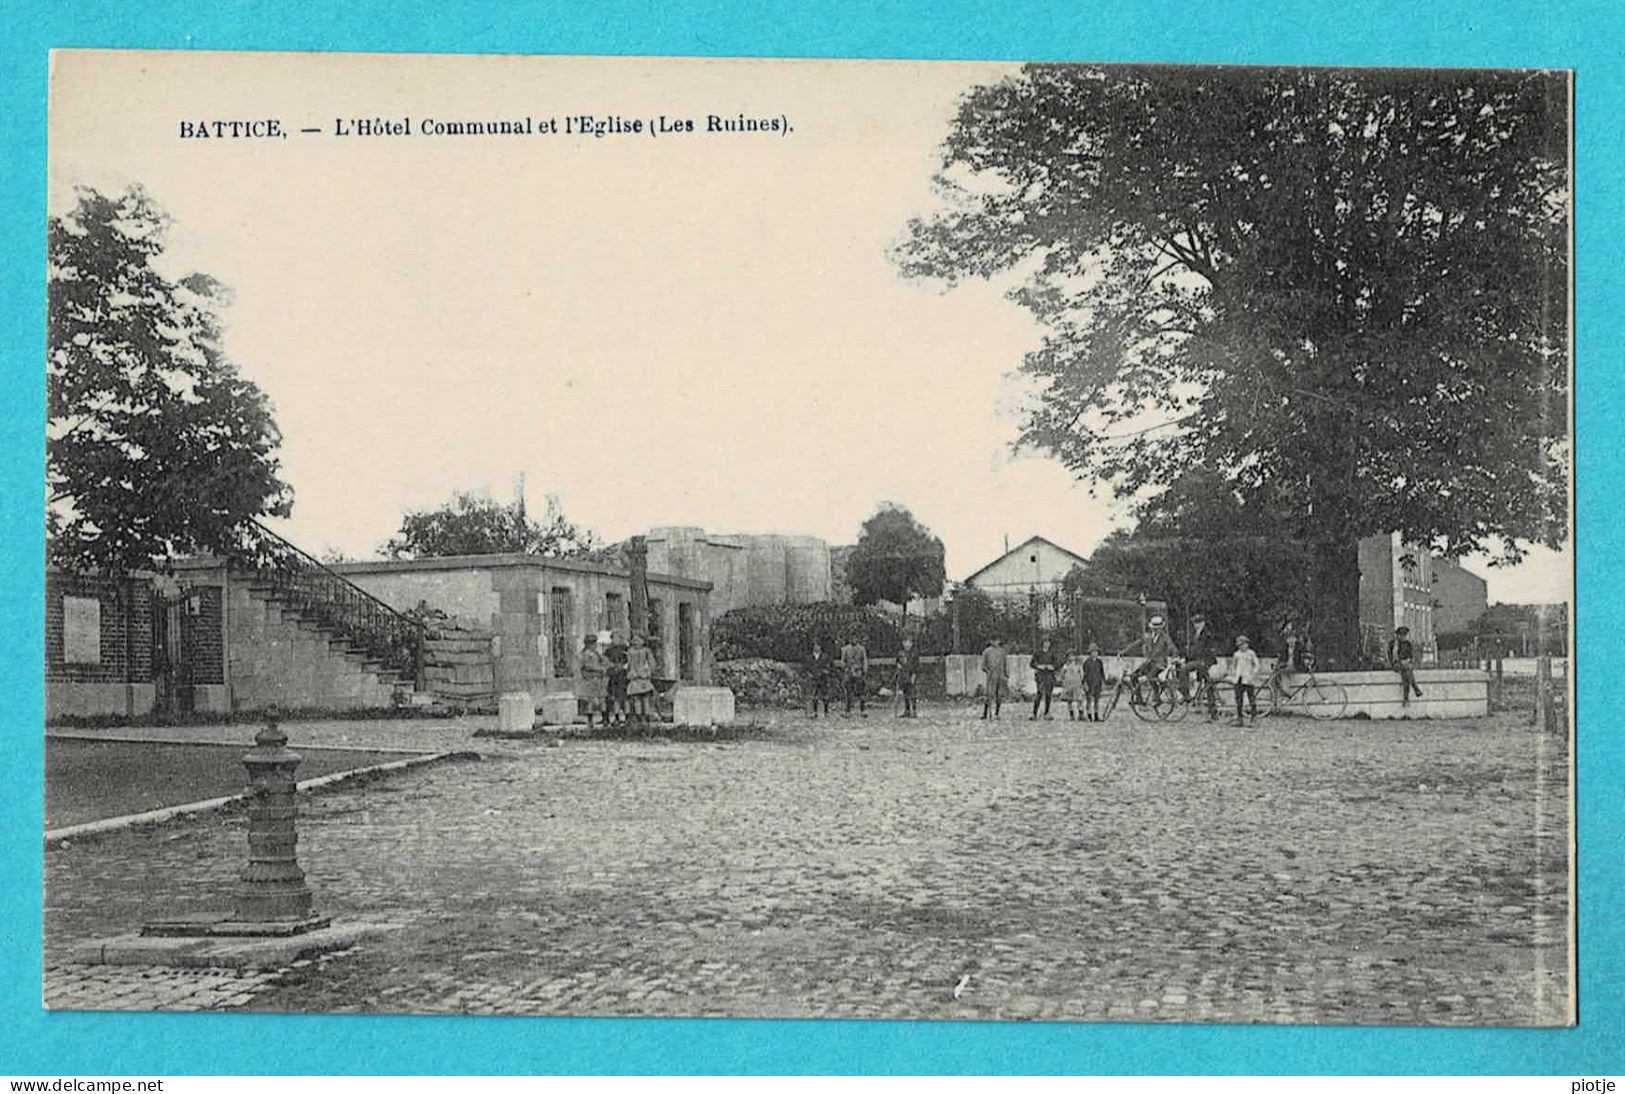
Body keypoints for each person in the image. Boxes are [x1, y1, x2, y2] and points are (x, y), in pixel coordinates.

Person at [1176, 613, 1221, 721]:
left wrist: (1206, 662)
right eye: (1195, 623)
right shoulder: (1195, 634)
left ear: (1203, 623)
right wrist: (1185, 658)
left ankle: (1185, 694)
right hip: (1198, 661)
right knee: (1208, 685)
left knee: (1184, 670)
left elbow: (1211, 650)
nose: (1196, 625)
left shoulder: (1207, 634)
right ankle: (1213, 711)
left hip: (1204, 662)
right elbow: (1193, 651)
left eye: (1198, 622)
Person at [1127, 614, 1179, 701]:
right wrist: (1123, 652)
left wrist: (1174, 657)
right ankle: (1139, 699)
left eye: (1158, 627)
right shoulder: (1148, 637)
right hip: (1149, 663)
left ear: (1161, 628)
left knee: (1149, 677)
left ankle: (1157, 696)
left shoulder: (1165, 638)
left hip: (1160, 664)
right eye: (1154, 627)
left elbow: (1173, 649)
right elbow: (1136, 644)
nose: (1156, 629)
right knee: (1134, 676)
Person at [577, 633, 608, 728]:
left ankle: (605, 719)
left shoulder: (597, 654)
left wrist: (604, 667)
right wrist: (599, 668)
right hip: (590, 678)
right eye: (592, 643)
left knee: (602, 699)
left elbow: (604, 662)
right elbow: (586, 666)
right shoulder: (585, 654)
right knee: (590, 700)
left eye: (594, 643)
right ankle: (590, 720)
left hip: (598, 679)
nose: (594, 645)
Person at [1388, 625, 1425, 705]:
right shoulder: (1392, 644)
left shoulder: (1407, 644)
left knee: (1406, 675)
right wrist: (1398, 662)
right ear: (1397, 635)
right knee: (1407, 670)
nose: (1403, 637)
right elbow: (1390, 656)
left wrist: (1408, 661)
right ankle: (1415, 688)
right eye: (1401, 635)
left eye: (1404, 635)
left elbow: (1411, 656)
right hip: (1396, 664)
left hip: (1406, 664)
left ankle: (1406, 699)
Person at [625, 632, 657, 725]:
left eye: (638, 640)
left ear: (643, 641)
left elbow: (652, 664)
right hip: (634, 678)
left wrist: (647, 671)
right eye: (634, 640)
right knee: (636, 699)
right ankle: (639, 717)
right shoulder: (630, 651)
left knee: (645, 699)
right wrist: (630, 672)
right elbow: (629, 664)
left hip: (643, 677)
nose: (635, 642)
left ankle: (646, 718)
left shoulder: (646, 651)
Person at [1231, 634, 1261, 725]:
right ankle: (1239, 718)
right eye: (1240, 645)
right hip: (1239, 678)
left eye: (1243, 644)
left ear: (1247, 644)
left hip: (1248, 678)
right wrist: (1234, 673)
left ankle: (1254, 718)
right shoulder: (1236, 654)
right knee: (1239, 699)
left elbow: (1256, 664)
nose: (1242, 647)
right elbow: (1233, 665)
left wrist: (1253, 673)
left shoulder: (1251, 653)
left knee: (1251, 698)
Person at [604, 631, 630, 727]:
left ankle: (627, 717)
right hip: (614, 676)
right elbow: (605, 662)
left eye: (616, 638)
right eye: (613, 638)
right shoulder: (609, 651)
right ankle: (616, 717)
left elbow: (630, 661)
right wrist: (612, 666)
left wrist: (624, 666)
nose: (614, 640)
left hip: (624, 675)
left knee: (625, 698)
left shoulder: (626, 649)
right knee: (615, 698)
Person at [840, 632, 869, 716]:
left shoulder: (862, 649)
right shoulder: (845, 649)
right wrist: (846, 668)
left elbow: (865, 660)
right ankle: (847, 711)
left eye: (855, 638)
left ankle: (862, 710)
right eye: (852, 638)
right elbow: (842, 661)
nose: (854, 639)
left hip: (859, 672)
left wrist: (864, 670)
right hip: (849, 672)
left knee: (861, 692)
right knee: (848, 692)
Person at [980, 636, 1008, 720]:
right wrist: (988, 671)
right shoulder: (986, 651)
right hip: (992, 676)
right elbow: (983, 665)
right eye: (994, 641)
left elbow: (1005, 664)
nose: (996, 642)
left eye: (997, 640)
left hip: (1001, 675)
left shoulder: (1002, 652)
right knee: (989, 694)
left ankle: (997, 713)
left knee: (999, 695)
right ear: (991, 641)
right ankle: (985, 713)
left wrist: (1006, 675)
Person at [1030, 638, 1059, 719]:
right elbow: (1032, 663)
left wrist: (1052, 666)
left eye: (1048, 642)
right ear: (1042, 643)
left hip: (1049, 675)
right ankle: (1034, 713)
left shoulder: (1052, 653)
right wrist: (1039, 666)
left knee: (1049, 694)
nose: (1047, 644)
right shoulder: (1037, 653)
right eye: (1045, 642)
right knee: (1039, 693)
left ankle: (1046, 712)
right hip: (1041, 675)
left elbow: (1057, 663)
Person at [806, 639, 834, 717]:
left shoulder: (825, 656)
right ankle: (815, 712)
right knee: (814, 696)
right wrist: (809, 674)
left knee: (825, 695)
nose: (816, 647)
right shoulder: (809, 657)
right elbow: (806, 668)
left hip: (823, 678)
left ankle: (826, 712)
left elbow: (831, 666)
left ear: (820, 647)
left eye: (818, 646)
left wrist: (826, 672)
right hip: (814, 678)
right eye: (815, 646)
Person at [895, 635, 921, 718]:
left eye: (909, 642)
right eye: (905, 642)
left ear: (912, 644)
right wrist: (898, 665)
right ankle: (907, 711)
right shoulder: (900, 653)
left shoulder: (914, 653)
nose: (907, 644)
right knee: (905, 693)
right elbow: (897, 662)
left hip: (911, 675)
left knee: (912, 693)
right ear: (903, 643)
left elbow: (917, 666)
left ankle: (914, 710)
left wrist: (914, 675)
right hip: (903, 675)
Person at [1059, 650, 1087, 721]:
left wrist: (1081, 681)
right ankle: (1071, 714)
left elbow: (1082, 674)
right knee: (1069, 700)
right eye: (1070, 656)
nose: (1071, 657)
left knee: (1079, 700)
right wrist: (1063, 681)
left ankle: (1081, 714)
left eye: (1073, 656)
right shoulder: (1065, 666)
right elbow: (1062, 674)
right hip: (1068, 685)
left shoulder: (1078, 665)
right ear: (1067, 657)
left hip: (1077, 684)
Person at [1082, 641, 1106, 721]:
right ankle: (1089, 715)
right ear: (1090, 653)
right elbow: (1084, 674)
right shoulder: (1086, 662)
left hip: (1097, 683)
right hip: (1090, 683)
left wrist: (1103, 682)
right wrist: (1084, 683)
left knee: (1096, 700)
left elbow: (1102, 672)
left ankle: (1096, 715)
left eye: (1096, 652)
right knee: (1089, 700)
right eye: (1093, 652)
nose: (1095, 653)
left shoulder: (1099, 662)